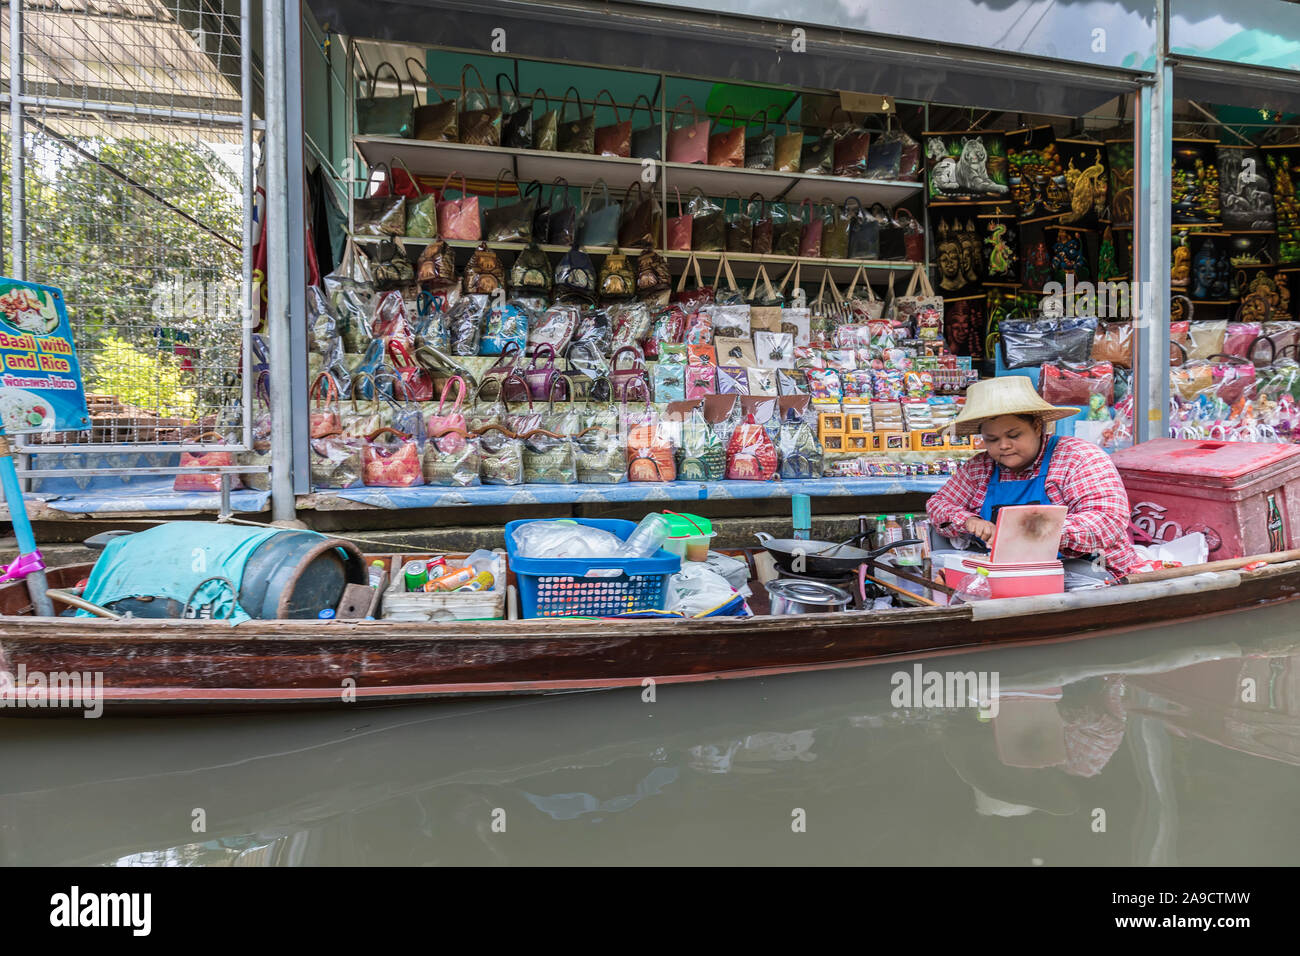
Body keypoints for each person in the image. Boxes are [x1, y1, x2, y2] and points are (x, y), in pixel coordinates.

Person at [926, 376, 1143, 579]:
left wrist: (1030, 532)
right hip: (1012, 574)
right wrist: (968, 521)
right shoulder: (980, 466)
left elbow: (1107, 520)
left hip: (1090, 573)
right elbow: (938, 505)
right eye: (992, 439)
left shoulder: (1077, 457)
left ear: (1038, 427)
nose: (1003, 445)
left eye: (1014, 435)